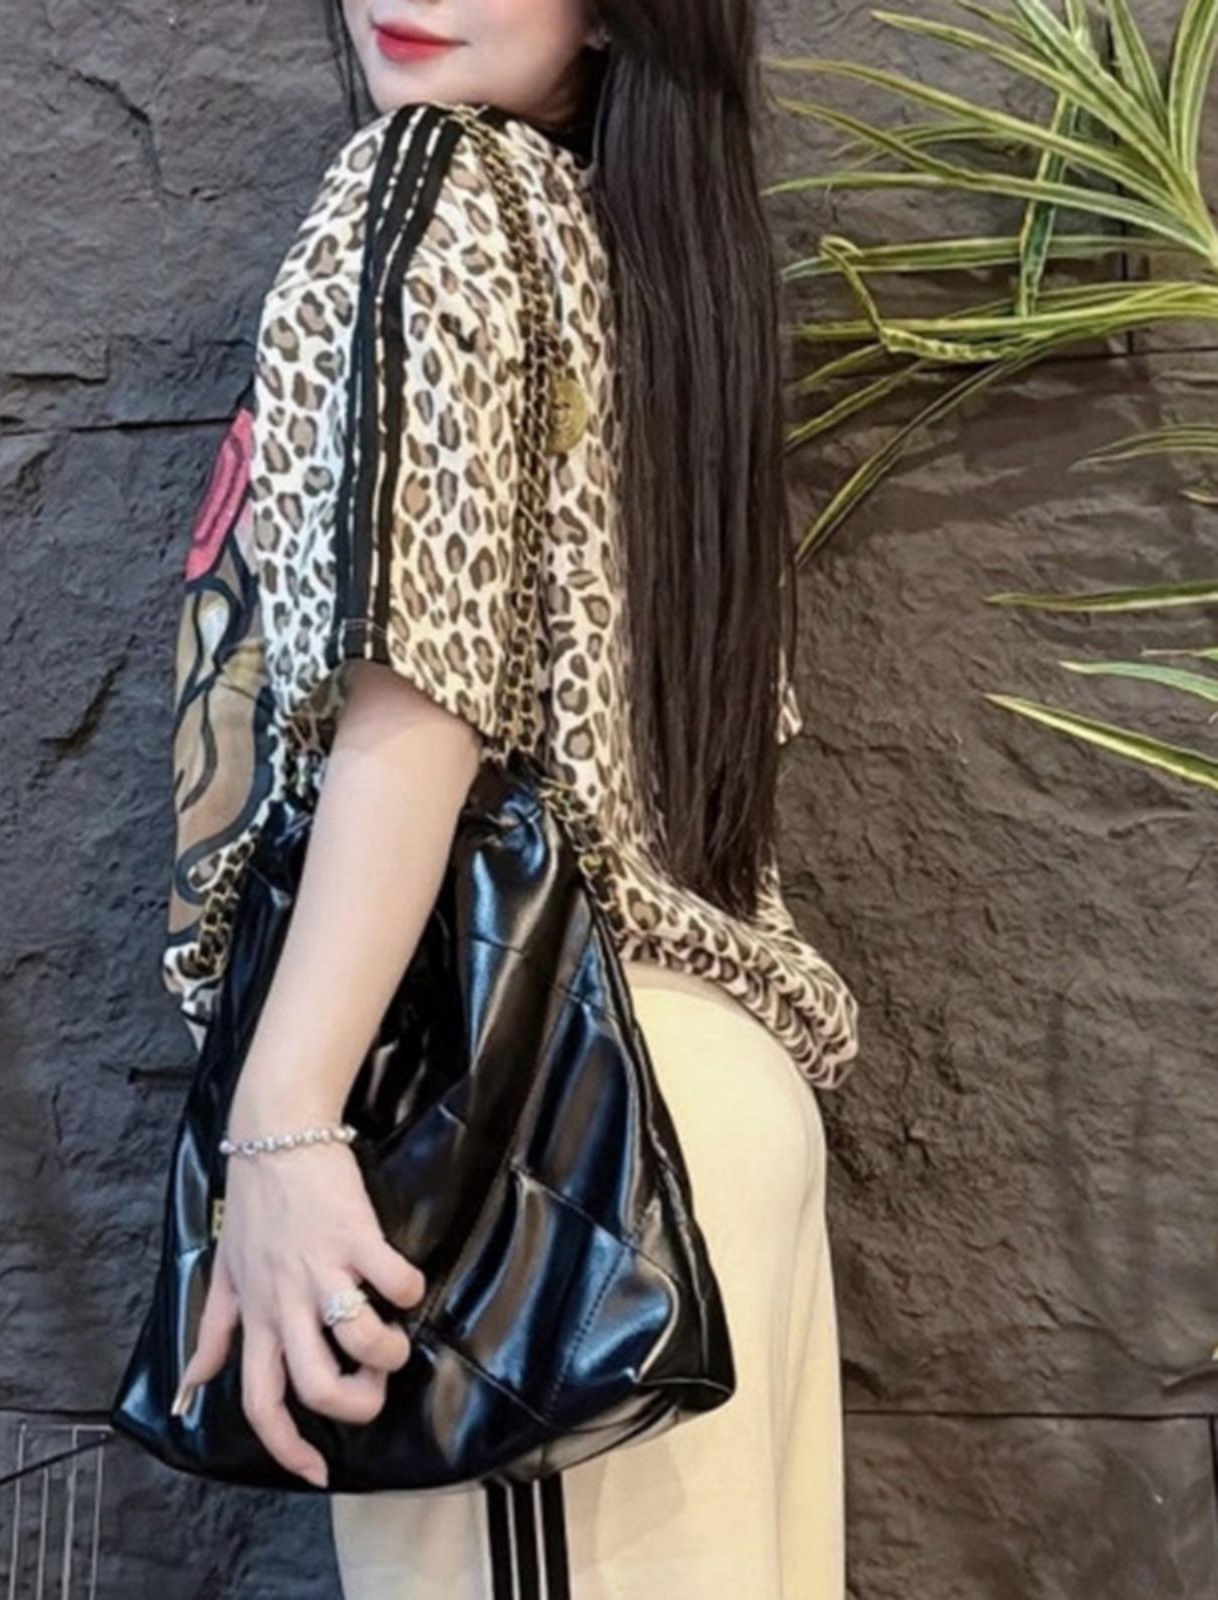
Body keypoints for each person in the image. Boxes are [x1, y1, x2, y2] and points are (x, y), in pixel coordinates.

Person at [157, 2, 861, 1595]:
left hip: (542, 1145)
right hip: (706, 1114)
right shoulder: (651, 257)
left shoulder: (426, 190)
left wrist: (282, 1116)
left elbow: (420, 682)